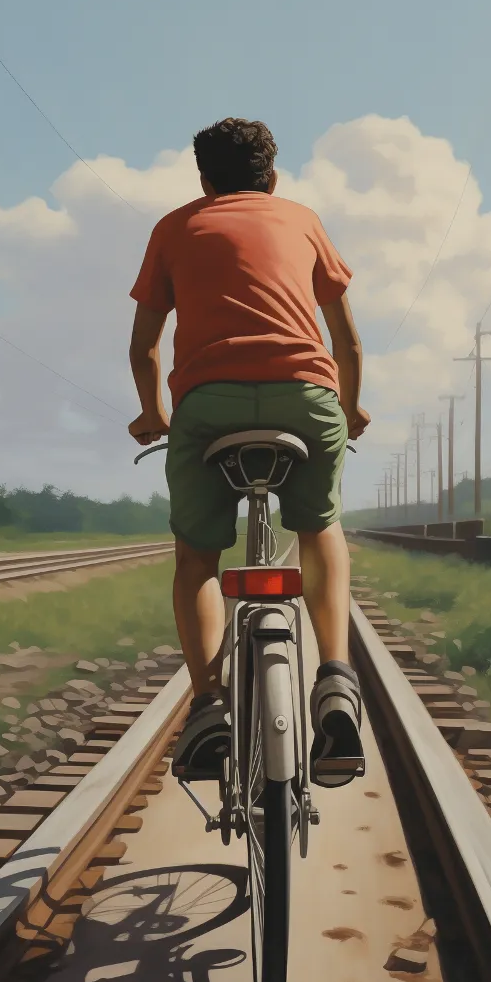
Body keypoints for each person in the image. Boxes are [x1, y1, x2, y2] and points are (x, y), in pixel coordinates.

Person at [126, 117, 371, 789]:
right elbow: (345, 341)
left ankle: (208, 706)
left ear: (203, 181)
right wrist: (349, 407)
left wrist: (154, 412)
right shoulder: (302, 219)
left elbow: (144, 346)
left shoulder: (176, 228)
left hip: (208, 409)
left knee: (198, 555)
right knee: (319, 526)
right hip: (306, 397)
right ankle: (337, 680)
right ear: (275, 176)